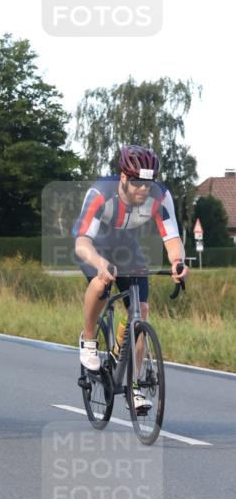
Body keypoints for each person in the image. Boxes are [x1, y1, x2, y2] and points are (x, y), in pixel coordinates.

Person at [74, 145, 188, 410]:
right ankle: (88, 339)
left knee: (141, 313)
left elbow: (171, 237)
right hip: (93, 245)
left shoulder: (160, 196)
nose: (144, 190)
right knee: (101, 283)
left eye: (148, 183)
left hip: (126, 246)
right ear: (123, 178)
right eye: (137, 183)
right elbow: (82, 243)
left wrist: (177, 262)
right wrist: (100, 263)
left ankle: (133, 385)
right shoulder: (100, 193)